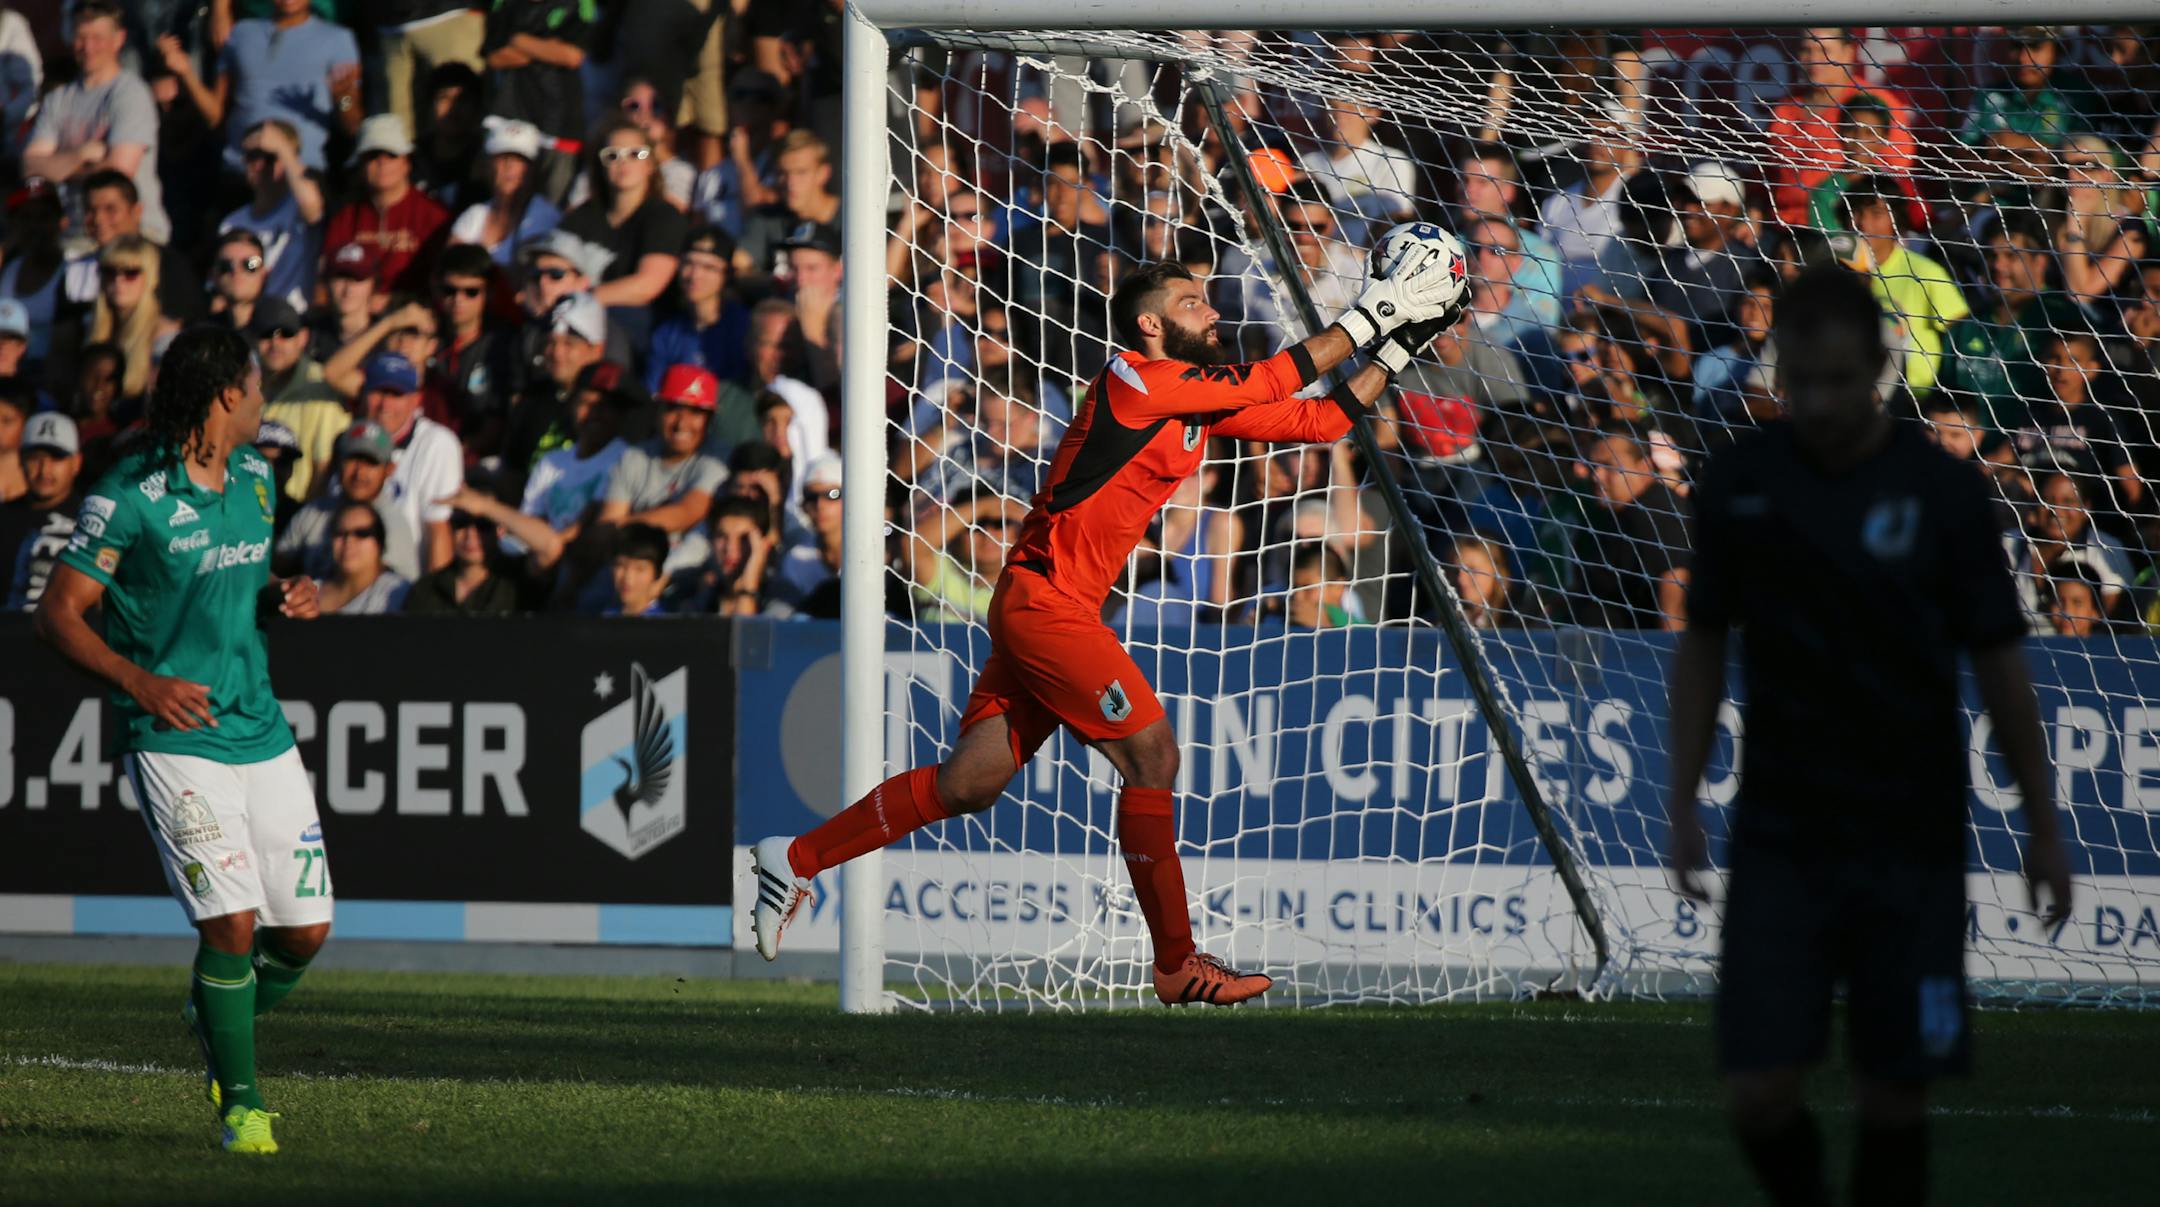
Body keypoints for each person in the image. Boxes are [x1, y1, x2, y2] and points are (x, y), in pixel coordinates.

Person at [746, 252, 1467, 1005]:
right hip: (1045, 602)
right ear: (1150, 324)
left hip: (1050, 604)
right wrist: (1378, 310)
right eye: (1194, 302)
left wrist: (1395, 348)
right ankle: (1176, 962)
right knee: (1153, 756)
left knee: (970, 781)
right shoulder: (1133, 381)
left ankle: (793, 857)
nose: (1213, 311)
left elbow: (1318, 419)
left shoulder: (1188, 398)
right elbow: (1272, 380)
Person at [1666, 264, 2072, 1207]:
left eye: (1841, 381)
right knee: (1759, 1094)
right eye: (1801, 383)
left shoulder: (1944, 494)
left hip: (1909, 840)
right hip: (1780, 835)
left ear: (1882, 366)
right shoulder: (1740, 481)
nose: (1820, 402)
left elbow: (2001, 667)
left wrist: (2044, 822)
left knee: (1895, 1099)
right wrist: (1682, 798)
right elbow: (1702, 646)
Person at [34, 324, 330, 1156]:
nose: (267, 399)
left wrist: (281, 598)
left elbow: (230, 592)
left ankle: (213, 1011)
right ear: (227, 395)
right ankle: (243, 1106)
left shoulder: (260, 480)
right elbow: (57, 613)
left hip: (260, 728)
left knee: (304, 933)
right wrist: (139, 681)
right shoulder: (129, 492)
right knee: (231, 925)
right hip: (172, 733)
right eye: (259, 385)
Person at [23, 0, 170, 243]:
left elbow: (117, 175)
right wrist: (82, 154)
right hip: (75, 232)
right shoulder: (58, 99)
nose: (88, 47)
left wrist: (55, 166)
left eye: (98, 38)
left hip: (133, 235)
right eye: (82, 37)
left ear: (118, 39)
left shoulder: (130, 94)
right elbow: (29, 166)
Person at [161, 0, 361, 179]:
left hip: (301, 174)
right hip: (240, 171)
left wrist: (343, 99)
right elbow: (216, 116)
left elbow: (352, 127)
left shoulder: (338, 39)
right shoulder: (240, 33)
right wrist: (186, 72)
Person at [559, 118, 686, 319]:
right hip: (575, 319)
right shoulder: (581, 216)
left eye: (636, 154)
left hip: (637, 325)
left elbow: (647, 285)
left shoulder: (664, 215)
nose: (623, 161)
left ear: (651, 163)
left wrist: (580, 298)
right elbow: (553, 267)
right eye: (612, 155)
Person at [273, 421, 421, 583]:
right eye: (352, 459)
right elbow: (279, 565)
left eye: (370, 462)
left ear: (389, 469)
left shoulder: (393, 526)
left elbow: (387, 593)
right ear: (337, 463)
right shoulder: (314, 511)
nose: (359, 472)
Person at [323, 115, 451, 296]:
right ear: (361, 165)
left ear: (407, 162)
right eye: (372, 155)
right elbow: (328, 275)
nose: (382, 162)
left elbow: (444, 280)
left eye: (391, 155)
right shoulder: (345, 216)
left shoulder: (434, 215)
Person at [360, 352, 462, 570]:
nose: (384, 405)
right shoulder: (351, 439)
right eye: (378, 392)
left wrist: (430, 599)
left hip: (405, 583)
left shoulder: (437, 443)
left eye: (395, 394)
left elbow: (438, 530)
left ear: (416, 400)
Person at [216, 120, 326, 312]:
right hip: (249, 323)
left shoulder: (298, 207)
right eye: (252, 156)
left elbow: (313, 208)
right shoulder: (232, 222)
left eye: (269, 157)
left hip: (293, 320)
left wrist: (282, 148)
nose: (259, 165)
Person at [251, 298, 346, 501]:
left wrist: (300, 522)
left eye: (285, 334)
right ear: (253, 339)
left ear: (303, 338)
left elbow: (324, 468)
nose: (275, 344)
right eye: (267, 335)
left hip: (296, 512)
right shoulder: (245, 388)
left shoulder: (319, 387)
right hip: (248, 510)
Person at [445, 118, 560, 265]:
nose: (509, 165)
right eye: (502, 157)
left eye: (520, 159)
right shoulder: (474, 215)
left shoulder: (546, 216)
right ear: (488, 165)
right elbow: (450, 267)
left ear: (534, 168)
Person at [1, 413, 81, 610]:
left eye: (56, 458)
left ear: (76, 462)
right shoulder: (3, 517)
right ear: (20, 459)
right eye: (35, 458)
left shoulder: (93, 521)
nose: (44, 470)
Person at [89, 235, 179, 407]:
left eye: (131, 272)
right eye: (110, 271)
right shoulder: (88, 326)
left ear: (151, 277)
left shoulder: (165, 336)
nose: (118, 280)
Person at [400, 506, 526, 613]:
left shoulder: (518, 584)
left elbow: (545, 549)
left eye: (483, 524)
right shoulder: (425, 590)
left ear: (501, 529)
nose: (470, 534)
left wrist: (489, 506)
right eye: (461, 523)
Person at [315, 499, 411, 614]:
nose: (349, 541)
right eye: (340, 533)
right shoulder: (309, 590)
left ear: (379, 543)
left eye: (362, 534)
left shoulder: (398, 593)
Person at [603, 522, 670, 616]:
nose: (628, 578)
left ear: (657, 574)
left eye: (640, 569)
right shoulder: (605, 616)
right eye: (621, 565)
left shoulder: (663, 625)